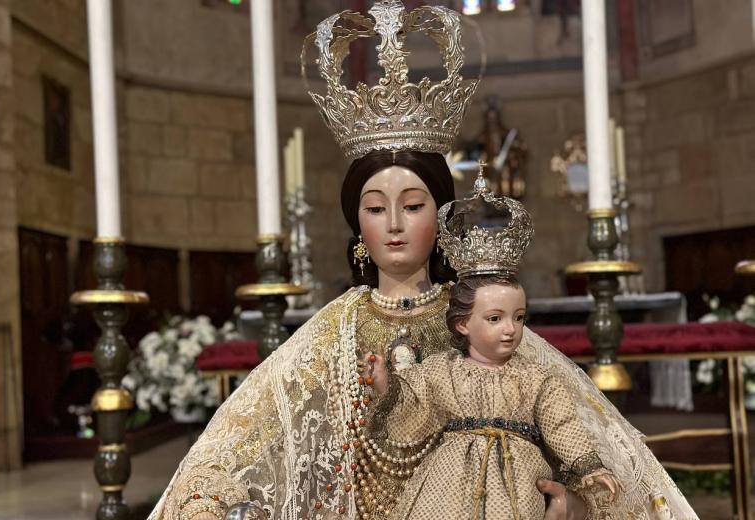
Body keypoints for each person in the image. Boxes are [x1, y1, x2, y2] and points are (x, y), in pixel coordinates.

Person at [148, 2, 697, 519]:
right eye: (374, 207)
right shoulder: (334, 331)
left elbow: (565, 420)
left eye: (412, 206)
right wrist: (204, 500)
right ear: (355, 222)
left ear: (440, 217)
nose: (393, 224)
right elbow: (243, 436)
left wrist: (571, 496)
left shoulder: (479, 317)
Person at [362, 271, 621, 518]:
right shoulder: (443, 369)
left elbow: (561, 423)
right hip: (450, 478)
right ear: (463, 323)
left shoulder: (534, 376)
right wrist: (385, 384)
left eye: (519, 318)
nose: (510, 329)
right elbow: (413, 402)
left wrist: (588, 466)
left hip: (516, 474)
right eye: (495, 319)